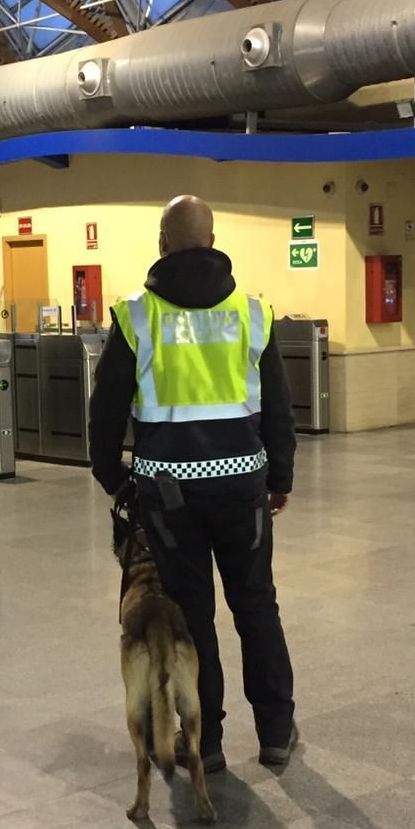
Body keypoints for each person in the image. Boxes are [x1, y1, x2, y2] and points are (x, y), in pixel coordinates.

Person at [88, 194, 299, 772]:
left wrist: (115, 480)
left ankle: (204, 742)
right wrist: (278, 476)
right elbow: (279, 406)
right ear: (212, 240)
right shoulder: (253, 312)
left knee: (193, 618)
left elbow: (104, 412)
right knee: (257, 605)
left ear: (161, 244)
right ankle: (277, 732)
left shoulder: (136, 315)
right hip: (243, 489)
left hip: (167, 495)